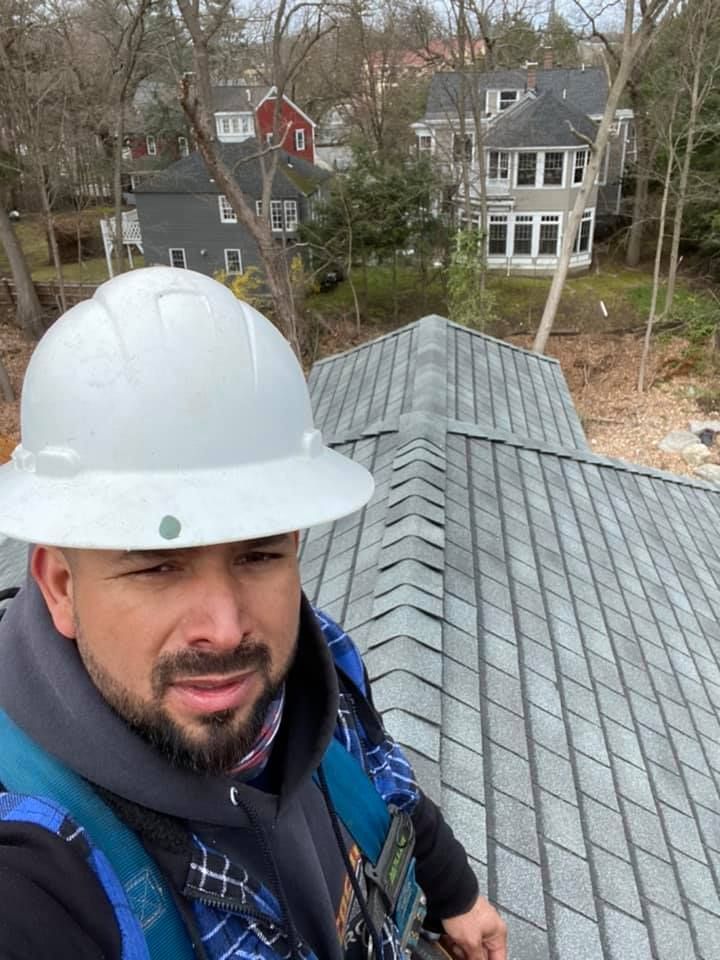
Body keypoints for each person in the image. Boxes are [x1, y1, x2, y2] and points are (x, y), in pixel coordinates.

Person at [0, 267, 507, 960]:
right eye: (157, 566)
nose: (227, 628)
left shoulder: (315, 659)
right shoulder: (40, 874)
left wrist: (455, 893)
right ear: (61, 586)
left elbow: (385, 781)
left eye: (257, 555)